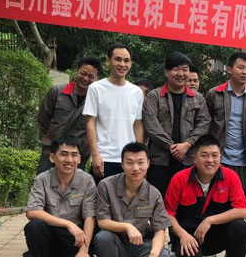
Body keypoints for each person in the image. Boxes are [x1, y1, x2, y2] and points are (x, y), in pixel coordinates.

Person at [164, 135, 246, 257]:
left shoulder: (230, 176)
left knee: (241, 227)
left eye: (214, 155)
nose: (210, 160)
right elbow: (168, 214)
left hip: (216, 235)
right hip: (188, 237)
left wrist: (210, 220)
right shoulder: (179, 178)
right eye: (204, 155)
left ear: (220, 157)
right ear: (194, 158)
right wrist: (182, 234)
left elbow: (242, 210)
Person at [91, 143, 172, 257]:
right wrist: (127, 226)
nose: (135, 168)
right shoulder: (106, 186)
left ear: (148, 163)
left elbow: (160, 230)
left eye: (140, 162)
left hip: (139, 245)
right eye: (130, 162)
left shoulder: (154, 194)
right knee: (102, 237)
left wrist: (153, 255)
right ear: (122, 164)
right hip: (114, 244)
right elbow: (102, 222)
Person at [24, 136, 96, 257]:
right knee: (34, 226)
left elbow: (90, 217)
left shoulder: (86, 180)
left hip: (74, 238)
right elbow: (32, 211)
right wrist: (68, 224)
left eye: (74, 155)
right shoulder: (42, 179)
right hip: (50, 236)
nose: (69, 160)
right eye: (63, 154)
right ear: (52, 157)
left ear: (79, 159)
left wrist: (84, 250)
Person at [142, 52, 211, 196]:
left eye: (185, 69)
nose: (181, 74)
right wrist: (171, 147)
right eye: (176, 69)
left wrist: (187, 144)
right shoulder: (154, 96)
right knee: (157, 200)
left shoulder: (198, 98)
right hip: (160, 161)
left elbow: (204, 123)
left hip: (188, 161)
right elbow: (151, 125)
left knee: (186, 201)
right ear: (167, 72)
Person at [83, 43, 144, 184]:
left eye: (126, 60)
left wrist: (139, 156)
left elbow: (138, 125)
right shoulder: (96, 88)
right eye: (118, 59)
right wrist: (95, 155)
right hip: (104, 158)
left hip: (129, 160)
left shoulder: (136, 92)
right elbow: (90, 123)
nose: (122, 64)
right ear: (108, 61)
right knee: (102, 196)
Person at [205, 52, 246, 199]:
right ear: (229, 69)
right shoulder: (214, 94)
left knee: (240, 198)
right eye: (240, 67)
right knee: (215, 198)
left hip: (243, 160)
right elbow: (205, 125)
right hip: (218, 158)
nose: (245, 72)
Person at [37, 57, 102, 174]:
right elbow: (43, 119)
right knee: (44, 183)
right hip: (51, 152)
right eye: (83, 74)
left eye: (91, 77)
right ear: (77, 71)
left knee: (74, 186)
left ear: (97, 79)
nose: (86, 79)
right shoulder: (57, 92)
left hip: (79, 156)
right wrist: (52, 137)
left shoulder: (97, 101)